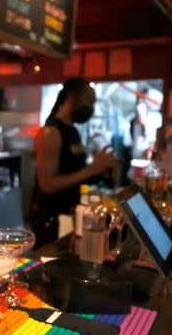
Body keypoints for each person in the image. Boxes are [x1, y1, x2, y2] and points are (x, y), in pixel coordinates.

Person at [31, 77, 116, 247]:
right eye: (88, 102)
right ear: (71, 97)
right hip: (53, 221)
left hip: (71, 215)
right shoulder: (51, 133)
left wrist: (102, 168)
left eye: (93, 104)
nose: (90, 109)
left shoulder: (73, 131)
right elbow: (47, 184)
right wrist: (92, 169)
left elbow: (76, 174)